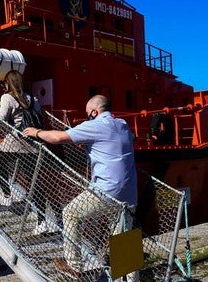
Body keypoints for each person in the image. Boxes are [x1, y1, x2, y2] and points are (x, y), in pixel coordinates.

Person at [22, 95, 138, 279]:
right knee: (123, 238)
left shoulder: (95, 125)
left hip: (107, 190)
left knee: (70, 213)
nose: (87, 117)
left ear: (94, 112)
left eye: (87, 114)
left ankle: (73, 265)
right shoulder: (123, 124)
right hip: (130, 193)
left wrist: (36, 132)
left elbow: (58, 137)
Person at [0, 70, 49, 234]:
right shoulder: (33, 99)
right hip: (33, 145)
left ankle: (6, 196)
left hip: (14, 142)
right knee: (34, 182)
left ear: (7, 84)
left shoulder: (7, 98)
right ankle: (43, 221)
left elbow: (0, 119)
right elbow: (39, 117)